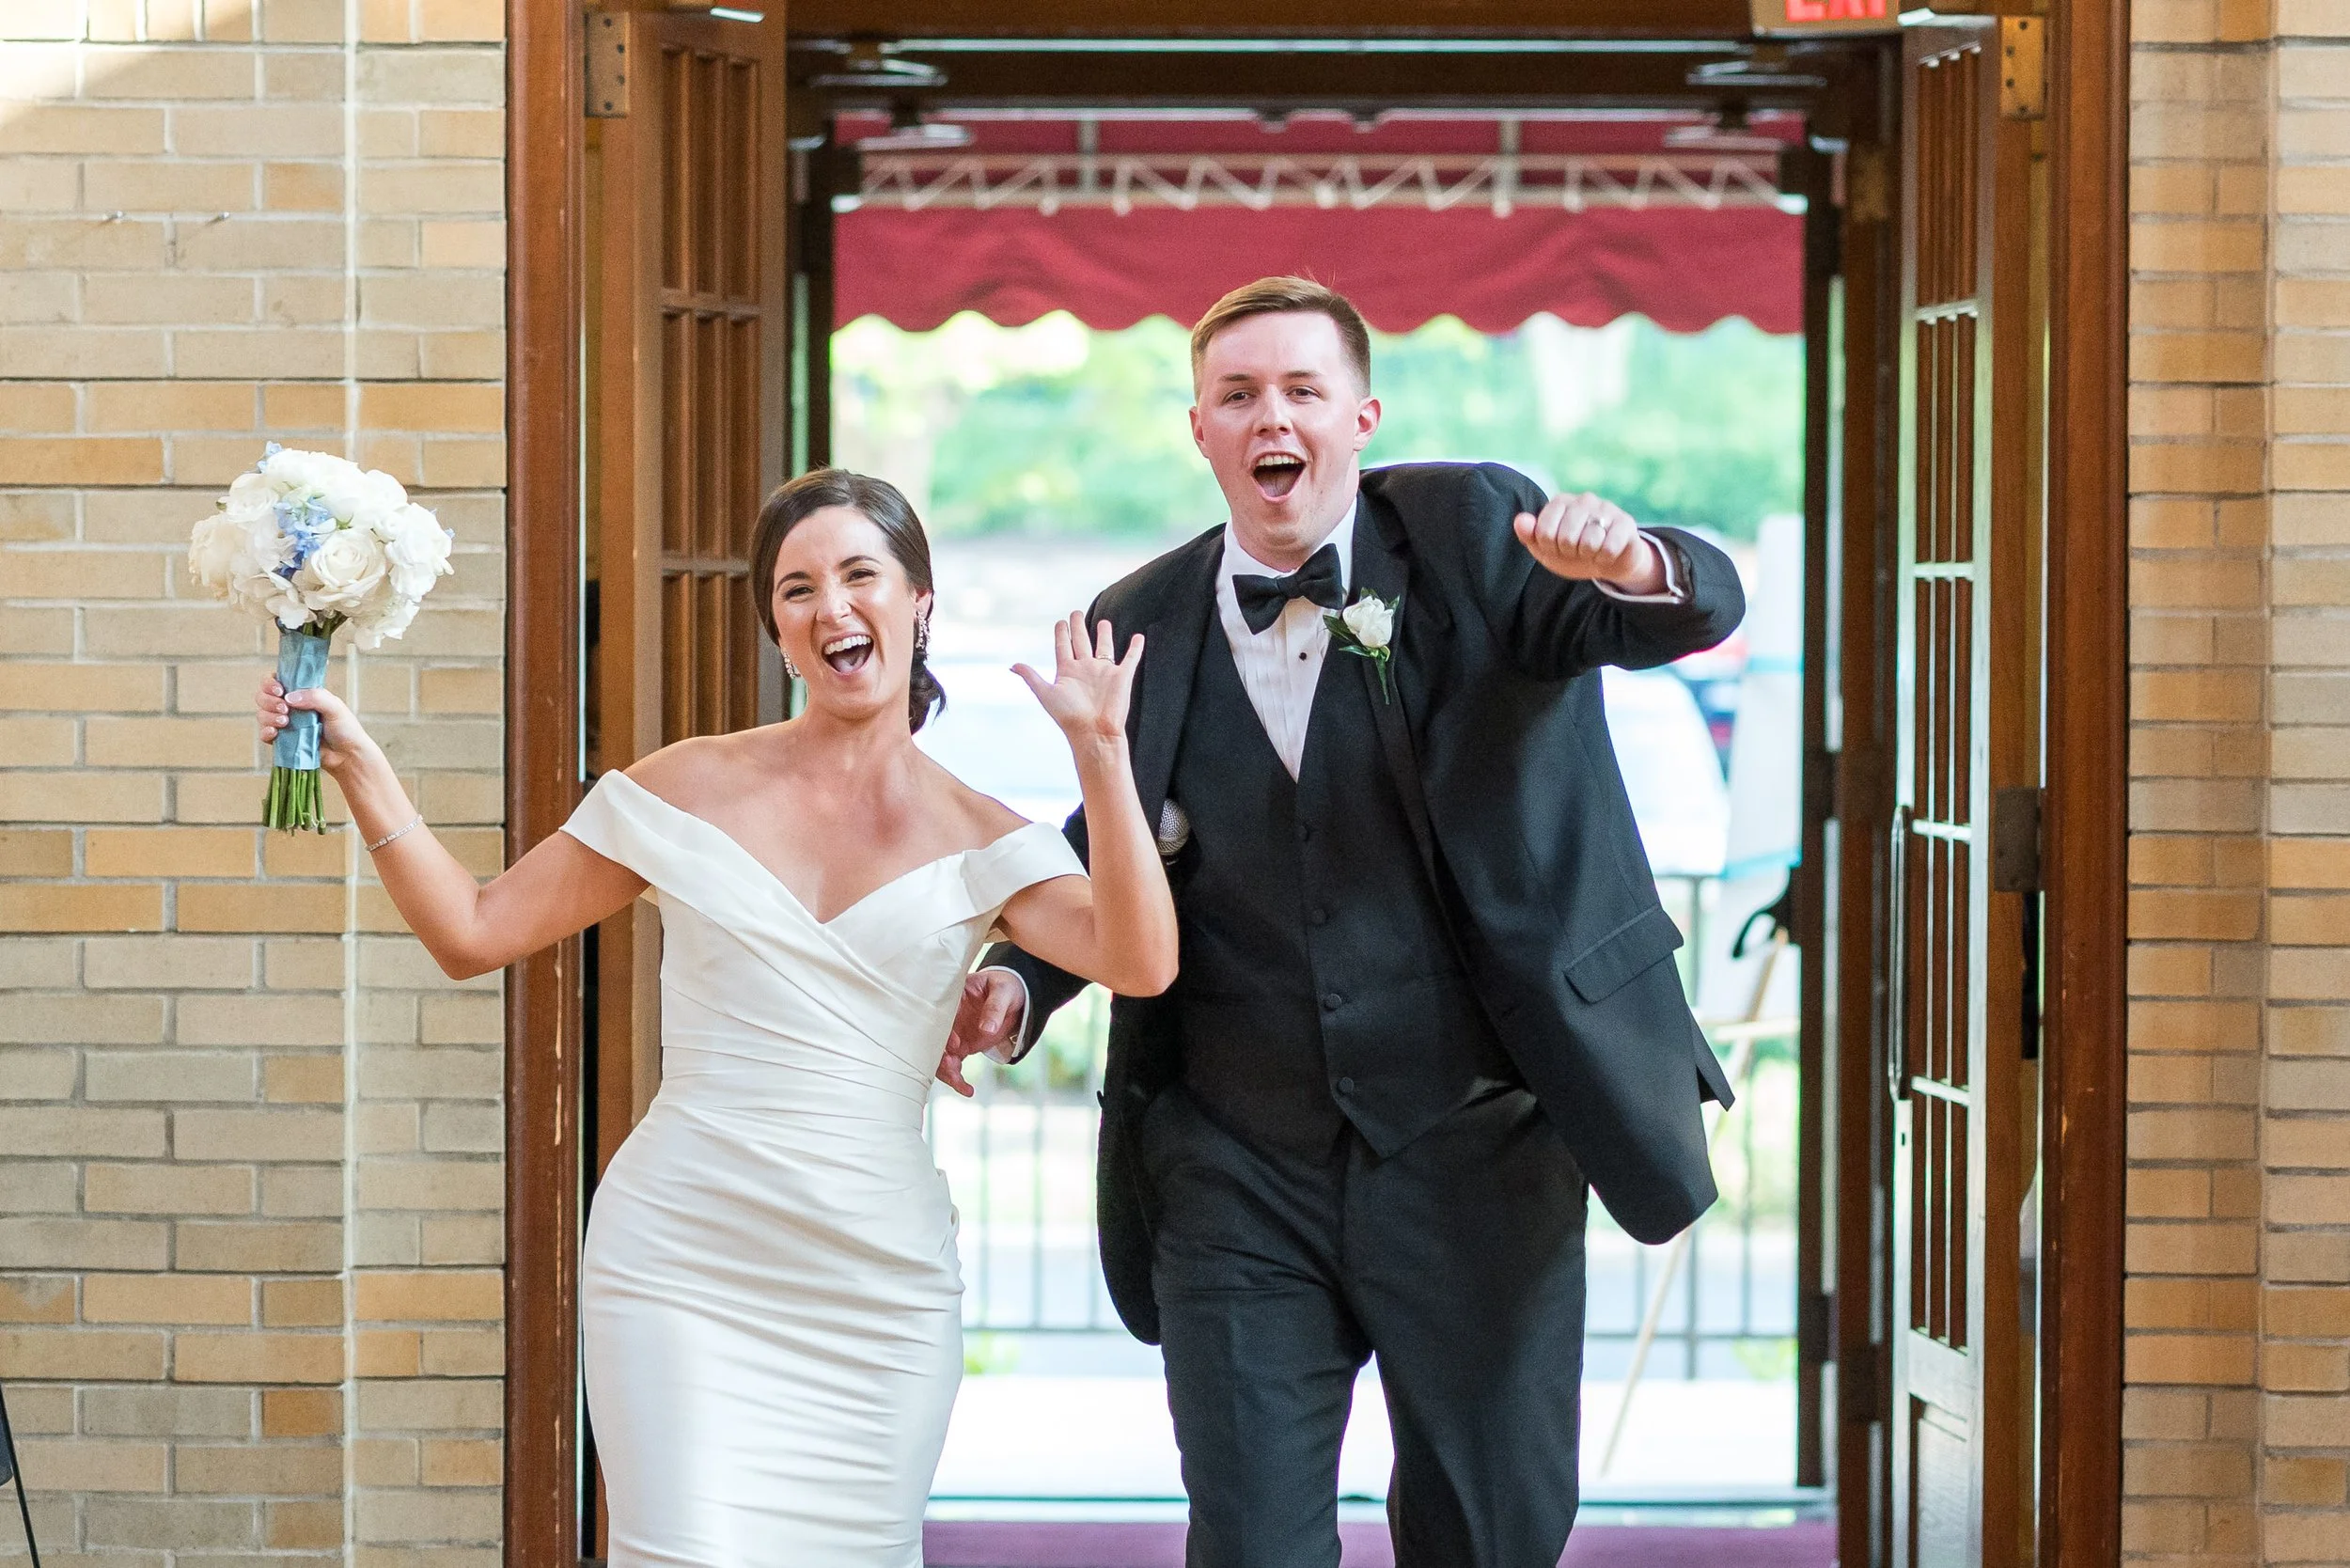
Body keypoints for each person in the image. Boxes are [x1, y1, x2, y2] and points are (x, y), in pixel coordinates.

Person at [948, 277, 1746, 1567]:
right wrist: (1024, 980)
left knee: (1494, 1533)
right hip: (1236, 1166)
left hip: (1478, 1143)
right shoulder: (1138, 621)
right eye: (1241, 393)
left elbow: (1691, 607)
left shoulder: (1478, 533)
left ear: (1361, 416)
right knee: (1252, 1541)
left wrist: (1640, 562)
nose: (1275, 416)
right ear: (1198, 428)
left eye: (1303, 390)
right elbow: (1121, 838)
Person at [254, 468, 1177, 1568]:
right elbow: (473, 929)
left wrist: (1103, 758)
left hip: (876, 1286)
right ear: (777, 632)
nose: (830, 607)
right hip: (683, 1260)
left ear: (919, 600)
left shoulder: (984, 833)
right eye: (796, 590)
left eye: (858, 576)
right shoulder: (684, 788)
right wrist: (360, 766)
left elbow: (1138, 959)